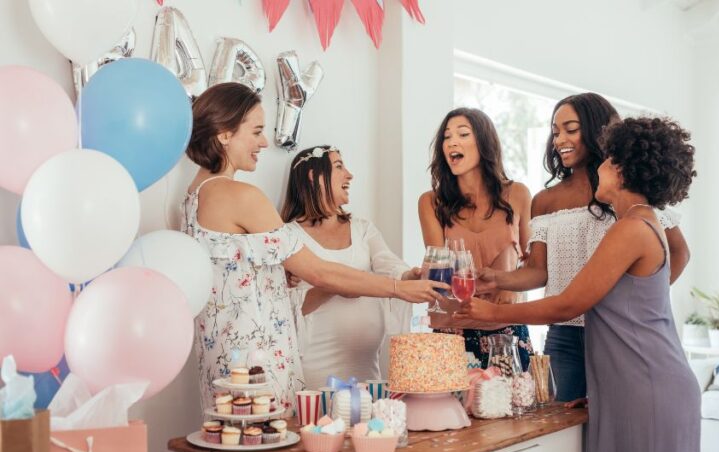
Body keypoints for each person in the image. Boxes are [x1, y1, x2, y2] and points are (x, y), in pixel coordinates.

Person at [181, 83, 446, 414]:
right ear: (223, 134)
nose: (264, 142)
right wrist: (398, 288)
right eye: (257, 131)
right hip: (257, 363)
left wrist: (278, 276)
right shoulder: (240, 195)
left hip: (221, 358)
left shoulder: (194, 196)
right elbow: (319, 272)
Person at [457, 116, 701, 452]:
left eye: (605, 160)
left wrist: (494, 311)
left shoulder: (631, 228)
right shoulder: (640, 222)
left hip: (647, 387)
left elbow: (568, 305)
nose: (599, 168)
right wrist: (607, 388)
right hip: (637, 386)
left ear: (619, 167)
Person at [476, 93, 690, 402]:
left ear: (597, 130)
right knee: (559, 427)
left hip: (616, 334)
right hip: (564, 335)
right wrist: (497, 279)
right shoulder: (546, 200)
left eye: (570, 128)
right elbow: (538, 271)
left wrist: (628, 306)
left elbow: (679, 252)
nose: (559, 139)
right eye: (555, 130)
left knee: (611, 424)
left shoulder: (630, 194)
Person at [281, 145, 417, 389]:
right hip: (317, 366)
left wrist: (412, 276)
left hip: (366, 365)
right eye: (339, 167)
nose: (350, 175)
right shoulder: (289, 236)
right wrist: (334, 285)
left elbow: (390, 265)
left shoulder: (362, 228)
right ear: (315, 177)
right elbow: (286, 308)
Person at [418, 107, 534, 370]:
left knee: (513, 408)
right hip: (452, 328)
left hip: (506, 326)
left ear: (483, 142)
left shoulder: (518, 194)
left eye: (462, 134)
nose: (452, 142)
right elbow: (441, 269)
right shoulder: (431, 202)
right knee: (454, 410)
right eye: (447, 137)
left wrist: (509, 285)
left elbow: (533, 262)